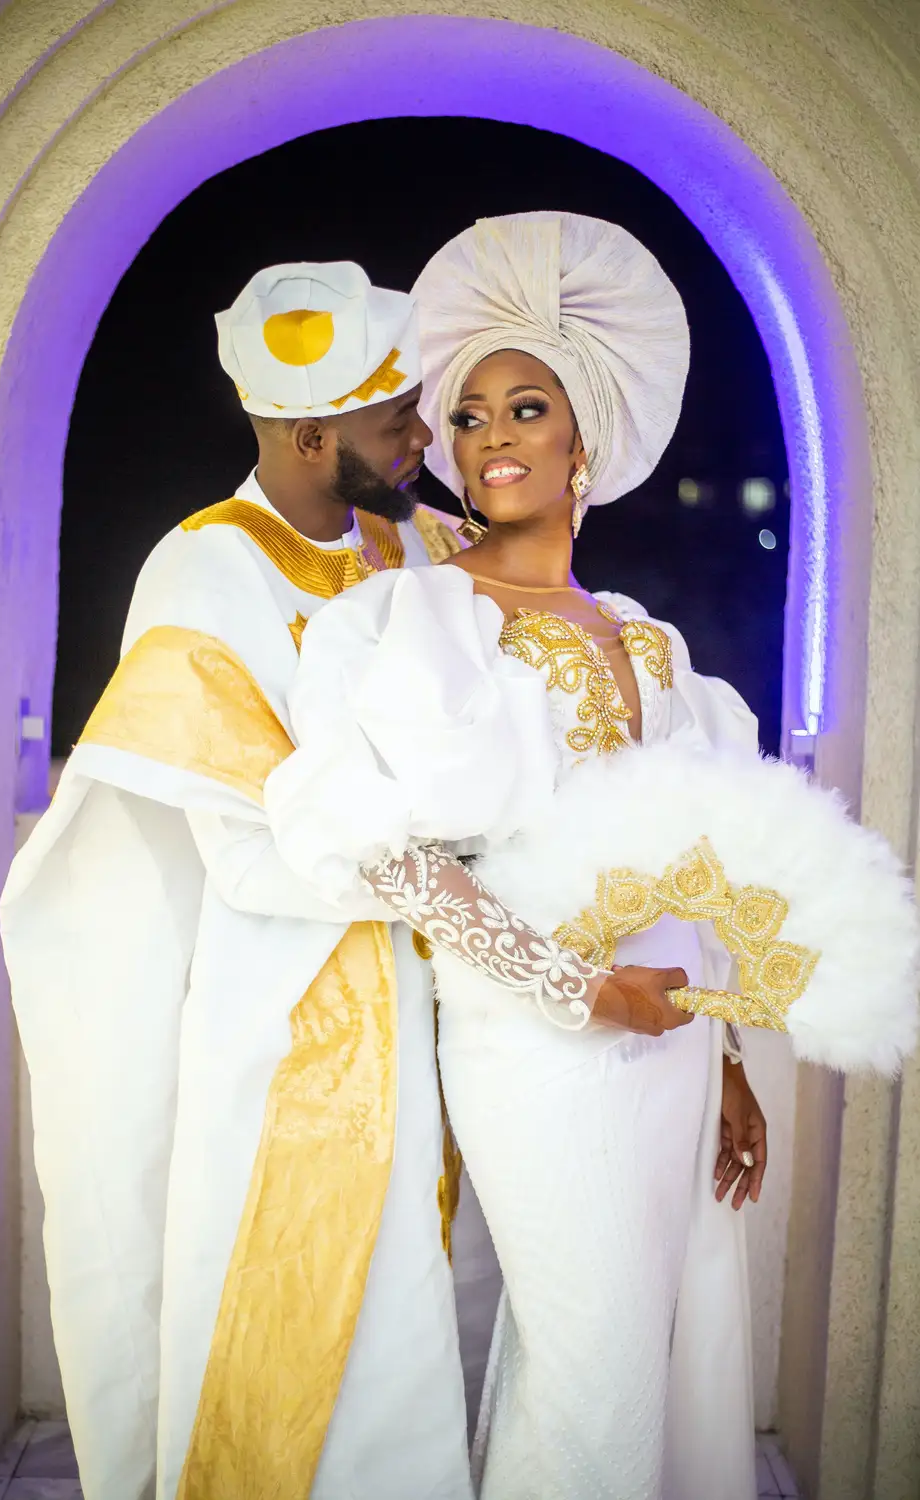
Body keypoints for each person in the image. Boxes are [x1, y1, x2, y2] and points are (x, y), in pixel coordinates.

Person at [260, 213, 768, 1500]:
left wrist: (727, 1063)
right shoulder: (413, 616)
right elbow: (389, 854)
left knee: (639, 1361)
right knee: (590, 1371)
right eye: (470, 415)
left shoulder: (648, 638)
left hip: (672, 1042)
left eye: (524, 408)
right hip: (538, 1043)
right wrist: (580, 992)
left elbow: (692, 870)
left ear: (582, 438)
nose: (489, 440)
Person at [0, 260, 479, 1500]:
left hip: (429, 997)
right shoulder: (202, 574)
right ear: (312, 432)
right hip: (289, 1018)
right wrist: (445, 866)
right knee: (294, 1320)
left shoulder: (405, 541)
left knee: (414, 1324)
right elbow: (251, 845)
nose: (423, 436)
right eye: (396, 419)